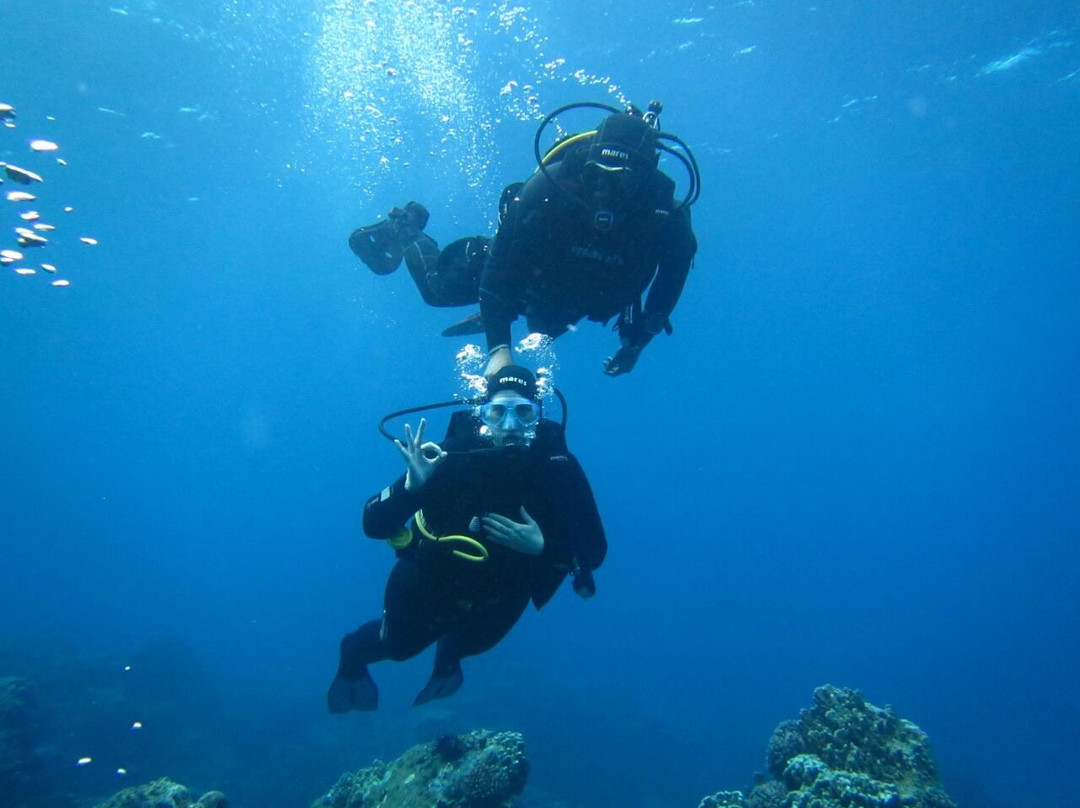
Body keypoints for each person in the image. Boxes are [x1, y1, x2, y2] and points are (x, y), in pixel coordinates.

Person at [327, 365, 607, 712]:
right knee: (397, 649)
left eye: (523, 412)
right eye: (497, 411)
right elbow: (373, 524)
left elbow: (594, 550)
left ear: (537, 415)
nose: (509, 425)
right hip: (430, 580)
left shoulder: (557, 466)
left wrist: (544, 546)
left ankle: (448, 659)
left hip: (505, 592)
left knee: (470, 646)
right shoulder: (447, 457)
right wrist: (410, 488)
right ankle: (351, 656)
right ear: (481, 413)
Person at [348, 100, 700, 370]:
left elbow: (668, 286)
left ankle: (508, 312)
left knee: (543, 329)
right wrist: (499, 349)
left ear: (643, 181)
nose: (604, 192)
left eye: (619, 180)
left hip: (573, 294)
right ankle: (406, 230)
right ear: (584, 169)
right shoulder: (551, 187)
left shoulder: (666, 219)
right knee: (437, 291)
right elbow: (499, 268)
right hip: (522, 269)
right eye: (597, 177)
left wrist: (636, 344)